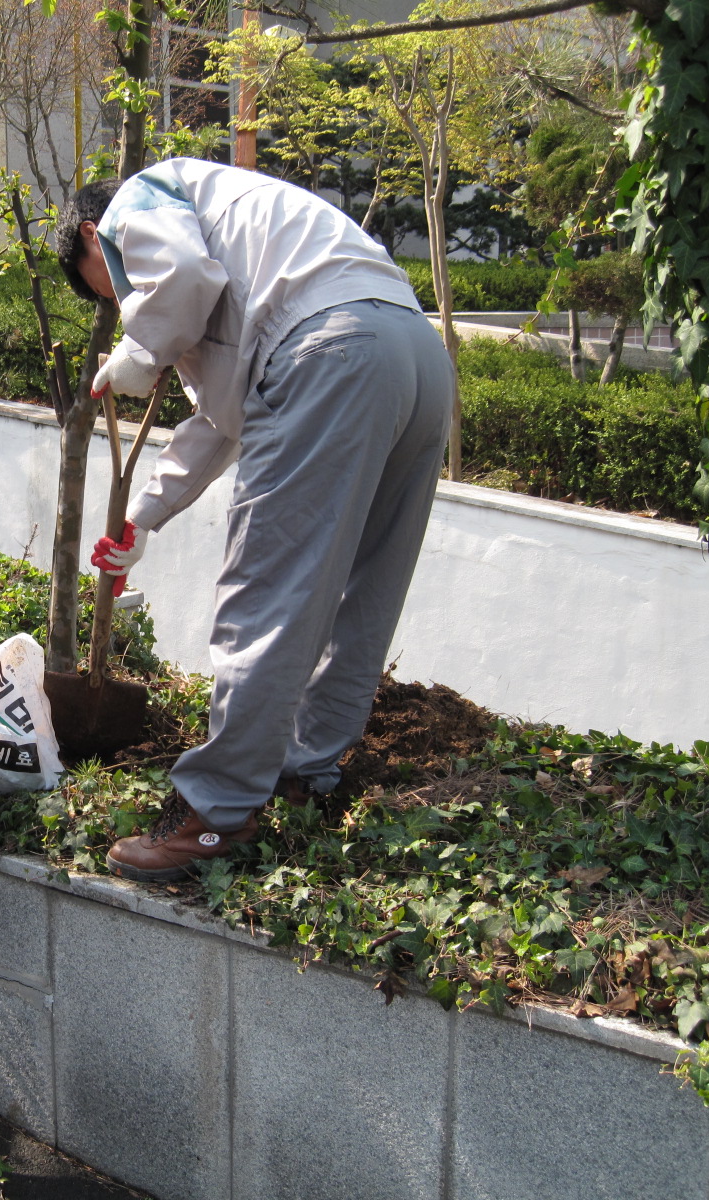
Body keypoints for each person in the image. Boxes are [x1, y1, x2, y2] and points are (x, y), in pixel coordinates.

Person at [55, 159, 455, 882]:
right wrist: (146, 516)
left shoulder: (143, 199)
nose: (120, 300)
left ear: (93, 236)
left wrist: (139, 350)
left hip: (330, 351)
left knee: (268, 586)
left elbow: (179, 276)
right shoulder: (245, 241)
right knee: (367, 583)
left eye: (104, 287)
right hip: (414, 352)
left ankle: (216, 813)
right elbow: (222, 417)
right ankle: (309, 771)